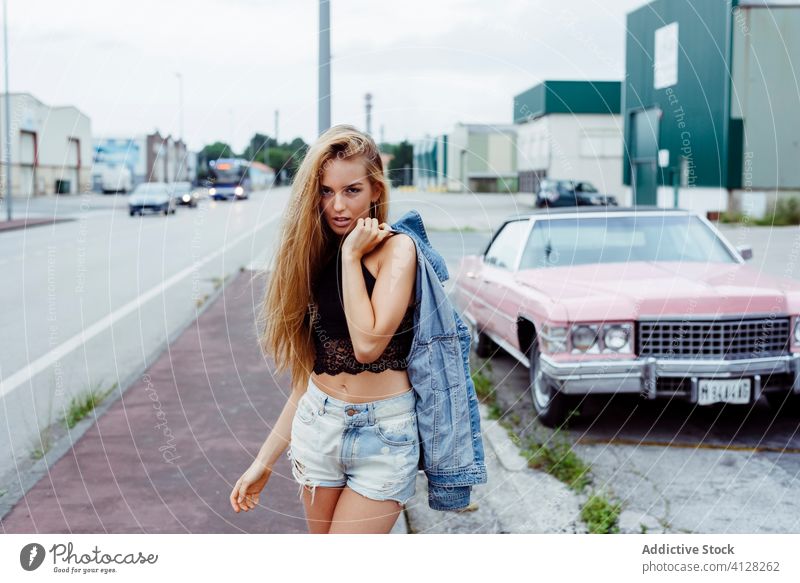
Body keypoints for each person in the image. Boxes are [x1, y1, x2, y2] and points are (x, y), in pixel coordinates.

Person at [229, 124, 421, 533]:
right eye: (326, 191)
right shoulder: (312, 260)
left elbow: (368, 345)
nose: (337, 205)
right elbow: (307, 381)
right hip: (319, 426)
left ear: (375, 192)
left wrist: (351, 257)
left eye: (352, 190)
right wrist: (262, 463)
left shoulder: (397, 250)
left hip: (385, 436)